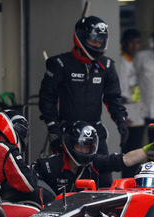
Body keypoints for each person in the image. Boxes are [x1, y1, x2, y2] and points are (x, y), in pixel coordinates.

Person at [38, 16, 128, 188]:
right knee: (66, 185)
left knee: (103, 184)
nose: (97, 44)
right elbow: (47, 99)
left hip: (95, 134)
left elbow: (113, 98)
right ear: (80, 37)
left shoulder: (107, 66)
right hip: (67, 135)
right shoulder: (60, 64)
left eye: (101, 40)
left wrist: (121, 121)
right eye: (93, 39)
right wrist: (53, 128)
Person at [33, 120, 152, 193]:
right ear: (70, 144)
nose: (84, 151)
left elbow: (126, 159)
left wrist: (153, 147)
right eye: (80, 146)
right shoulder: (48, 165)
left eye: (88, 147)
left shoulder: (94, 162)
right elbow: (28, 179)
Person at [118, 28, 145, 178]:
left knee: (138, 151)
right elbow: (121, 93)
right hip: (129, 113)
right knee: (130, 152)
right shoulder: (123, 62)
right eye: (132, 43)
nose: (135, 46)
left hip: (137, 112)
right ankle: (128, 181)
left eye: (137, 43)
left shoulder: (134, 61)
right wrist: (123, 116)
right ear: (124, 44)